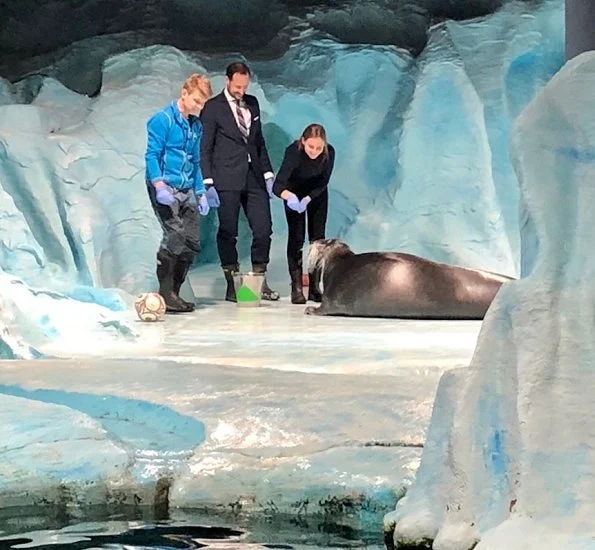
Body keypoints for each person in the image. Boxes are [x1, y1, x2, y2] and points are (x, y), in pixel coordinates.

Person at [199, 61, 280, 302]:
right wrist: (208, 181)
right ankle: (232, 283)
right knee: (228, 232)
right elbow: (205, 147)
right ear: (227, 81)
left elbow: (258, 142)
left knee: (263, 228)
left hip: (254, 177)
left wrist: (267, 173)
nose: (241, 91)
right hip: (225, 178)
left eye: (244, 86)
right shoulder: (213, 108)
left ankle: (259, 280)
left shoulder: (252, 103)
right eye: (237, 86)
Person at [145, 73, 215, 314]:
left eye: (202, 103)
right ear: (184, 93)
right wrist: (159, 186)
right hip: (165, 185)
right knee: (174, 235)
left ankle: (174, 291)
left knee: (192, 241)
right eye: (196, 101)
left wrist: (201, 192)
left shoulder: (196, 127)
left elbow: (195, 161)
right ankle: (165, 292)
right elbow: (152, 156)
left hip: (186, 187)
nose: (199, 107)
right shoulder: (162, 120)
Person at [272, 123, 335, 304]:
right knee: (297, 238)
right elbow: (278, 186)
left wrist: (309, 198)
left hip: (316, 194)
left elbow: (324, 182)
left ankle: (315, 287)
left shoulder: (329, 153)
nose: (314, 152)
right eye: (310, 147)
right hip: (293, 192)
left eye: (318, 148)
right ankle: (297, 287)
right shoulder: (293, 152)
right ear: (303, 141)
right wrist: (289, 197)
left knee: (317, 240)